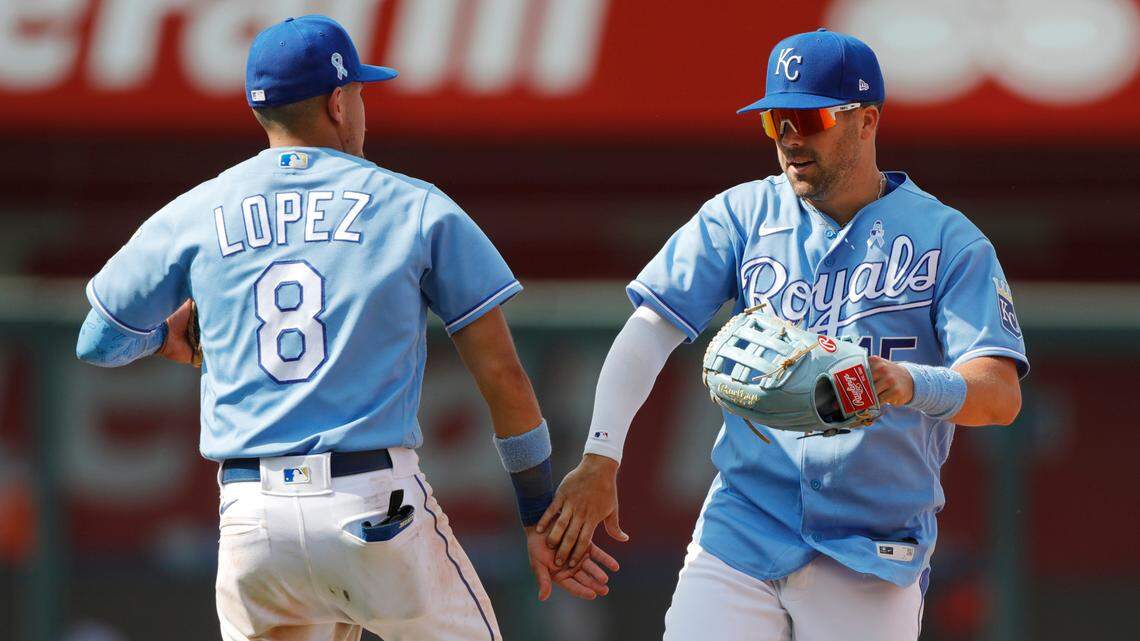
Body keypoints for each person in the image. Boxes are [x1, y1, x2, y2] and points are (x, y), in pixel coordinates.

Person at [75, 15, 616, 641]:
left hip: (252, 518)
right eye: (358, 92)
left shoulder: (200, 207)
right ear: (337, 102)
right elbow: (502, 376)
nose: (361, 107)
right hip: (371, 506)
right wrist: (535, 513)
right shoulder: (414, 205)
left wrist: (162, 338)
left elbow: (97, 340)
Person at [537, 28, 1027, 641]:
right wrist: (601, 455)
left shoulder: (950, 241)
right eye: (775, 122)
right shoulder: (741, 215)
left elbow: (1000, 393)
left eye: (808, 118)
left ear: (867, 119)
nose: (790, 139)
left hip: (873, 547)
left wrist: (909, 383)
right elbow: (649, 330)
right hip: (743, 527)